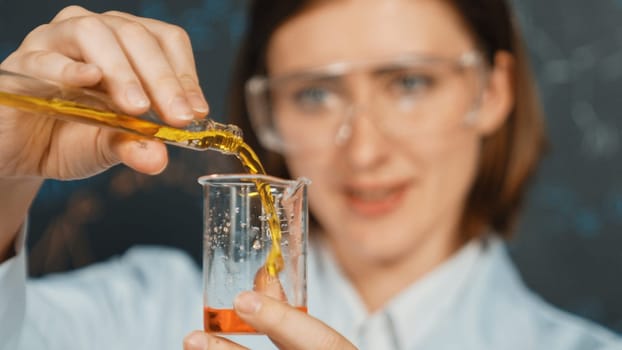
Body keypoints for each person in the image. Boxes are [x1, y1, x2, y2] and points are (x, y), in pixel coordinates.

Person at [0, 1, 620, 350]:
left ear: (493, 90)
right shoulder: (141, 315)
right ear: (266, 111)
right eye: (314, 95)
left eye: (409, 83)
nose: (364, 152)